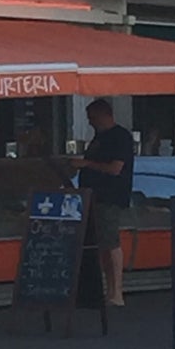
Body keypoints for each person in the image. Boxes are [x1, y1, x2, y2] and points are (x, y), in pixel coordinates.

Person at [70, 99, 134, 307]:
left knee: (110, 242)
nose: (90, 122)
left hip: (109, 196)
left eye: (92, 118)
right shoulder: (99, 137)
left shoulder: (120, 137)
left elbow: (115, 168)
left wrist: (87, 164)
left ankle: (117, 291)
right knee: (103, 244)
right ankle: (109, 290)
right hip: (93, 196)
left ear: (104, 115)